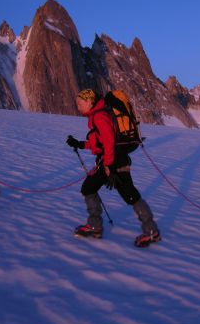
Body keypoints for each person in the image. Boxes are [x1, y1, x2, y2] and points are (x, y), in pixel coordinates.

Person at [66, 89, 161, 248]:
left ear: (89, 102)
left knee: (123, 193)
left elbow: (109, 142)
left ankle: (97, 227)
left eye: (79, 103)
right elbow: (100, 142)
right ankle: (150, 231)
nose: (78, 107)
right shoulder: (98, 114)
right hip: (114, 159)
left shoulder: (99, 116)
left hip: (113, 161)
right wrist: (80, 144)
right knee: (123, 193)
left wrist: (108, 166)